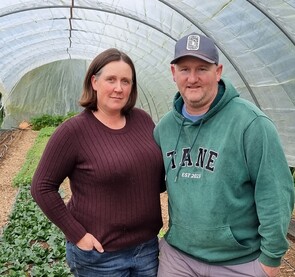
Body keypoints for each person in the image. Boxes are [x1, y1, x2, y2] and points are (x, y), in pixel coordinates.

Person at [154, 33, 294, 277]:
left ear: (218, 71)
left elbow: (275, 193)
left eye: (202, 68)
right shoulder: (164, 128)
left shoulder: (250, 124)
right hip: (179, 257)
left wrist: (270, 259)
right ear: (173, 73)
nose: (193, 78)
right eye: (185, 69)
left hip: (238, 262)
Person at [31, 48, 165, 276]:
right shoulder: (73, 131)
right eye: (111, 79)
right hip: (100, 257)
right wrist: (78, 235)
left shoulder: (143, 120)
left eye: (126, 81)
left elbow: (154, 178)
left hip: (146, 248)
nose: (119, 88)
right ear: (94, 81)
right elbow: (42, 186)